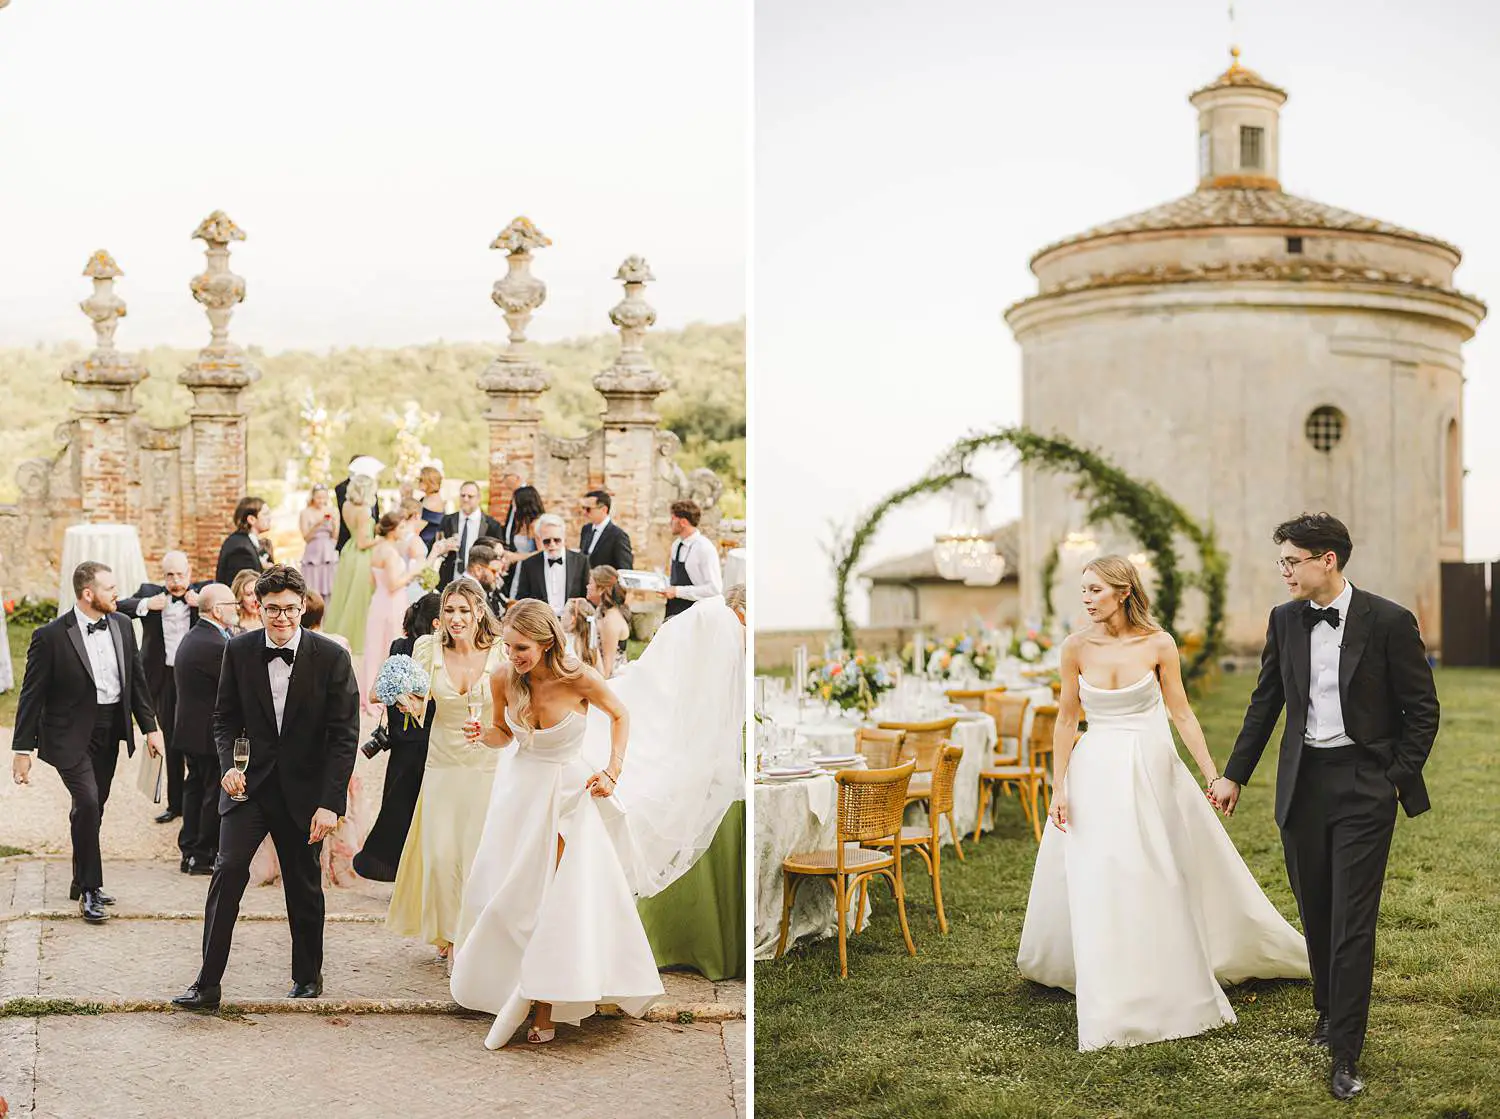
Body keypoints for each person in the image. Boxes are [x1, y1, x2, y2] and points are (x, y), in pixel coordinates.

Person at [1017, 555, 1310, 1051]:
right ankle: (1108, 979)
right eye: (1082, 590)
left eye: (1095, 590)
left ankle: (1165, 973)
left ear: (1123, 591)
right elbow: (1067, 721)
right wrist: (1058, 786)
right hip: (1094, 773)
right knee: (1101, 873)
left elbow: (1182, 714)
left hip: (1150, 770)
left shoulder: (1159, 644)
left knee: (1155, 870)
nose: (1086, 599)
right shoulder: (1074, 648)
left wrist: (1213, 775)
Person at [1209, 514, 1439, 1101]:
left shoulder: (1388, 620)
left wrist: (1393, 777)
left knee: (1352, 923)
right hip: (1303, 784)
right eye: (1281, 562)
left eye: (1292, 561)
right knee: (1317, 908)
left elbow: (1423, 710)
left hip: (1365, 785)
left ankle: (1346, 1054)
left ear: (1326, 561)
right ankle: (1329, 1011)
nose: (1283, 571)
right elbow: (1265, 703)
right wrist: (1235, 773)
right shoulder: (1285, 620)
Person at [449, 600, 661, 1047]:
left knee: (554, 898)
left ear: (546, 643)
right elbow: (502, 735)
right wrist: (481, 736)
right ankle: (509, 984)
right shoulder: (503, 677)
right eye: (507, 646)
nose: (513, 655)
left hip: (568, 797)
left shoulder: (578, 676)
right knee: (511, 895)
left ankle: (544, 1003)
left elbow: (621, 714)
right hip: (519, 798)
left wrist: (612, 770)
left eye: (521, 647)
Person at [172, 565, 360, 1011]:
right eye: (272, 609)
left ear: (302, 607)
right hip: (249, 789)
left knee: (302, 884)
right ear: (258, 606)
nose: (281, 618)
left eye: (290, 609)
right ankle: (207, 984)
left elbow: (344, 735)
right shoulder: (237, 651)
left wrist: (330, 804)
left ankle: (307, 976)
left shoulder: (331, 657)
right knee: (227, 871)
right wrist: (226, 768)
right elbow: (223, 719)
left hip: (304, 792)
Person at [10, 562, 164, 922]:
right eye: (110, 588)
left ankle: (80, 879)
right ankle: (91, 890)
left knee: (95, 805)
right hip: (68, 733)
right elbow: (31, 695)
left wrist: (150, 728)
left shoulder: (124, 626)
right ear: (88, 594)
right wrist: (21, 750)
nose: (117, 593)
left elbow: (137, 682)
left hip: (110, 728)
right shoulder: (50, 636)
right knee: (88, 800)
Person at [386, 579, 506, 961]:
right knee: (440, 857)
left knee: (476, 854)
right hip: (443, 764)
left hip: (486, 764)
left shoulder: (501, 652)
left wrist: (493, 733)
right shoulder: (427, 648)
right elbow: (421, 706)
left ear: (479, 613)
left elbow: (515, 711)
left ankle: (465, 938)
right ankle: (447, 931)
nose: (455, 619)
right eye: (449, 611)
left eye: (463, 611)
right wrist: (403, 700)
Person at [352, 592, 442, 882]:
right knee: (416, 807)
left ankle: (395, 868)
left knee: (397, 804)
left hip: (403, 739)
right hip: (426, 737)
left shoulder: (399, 646)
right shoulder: (435, 651)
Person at [119, 551, 209, 826]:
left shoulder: (203, 592)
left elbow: (231, 604)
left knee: (196, 738)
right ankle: (175, 804)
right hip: (163, 679)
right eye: (170, 575)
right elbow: (118, 607)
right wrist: (147, 604)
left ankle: (200, 800)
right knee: (170, 739)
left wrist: (202, 603)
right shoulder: (150, 594)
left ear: (190, 573)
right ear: (163, 575)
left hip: (195, 680)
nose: (176, 580)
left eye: (181, 574)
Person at [171, 583, 240, 876]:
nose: (237, 609)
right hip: (207, 733)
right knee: (212, 792)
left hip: (190, 730)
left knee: (195, 788)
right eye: (232, 604)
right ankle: (202, 855)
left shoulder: (195, 636)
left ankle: (189, 849)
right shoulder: (215, 645)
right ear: (217, 610)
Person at [362, 511, 425, 713]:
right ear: (393, 529)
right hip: (391, 602)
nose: (405, 531)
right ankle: (385, 693)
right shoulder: (389, 552)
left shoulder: (378, 549)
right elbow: (393, 584)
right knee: (388, 646)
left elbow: (372, 581)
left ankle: (374, 691)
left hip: (378, 601)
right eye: (402, 527)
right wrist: (413, 572)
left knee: (374, 647)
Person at [323, 473, 378, 654]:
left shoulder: (346, 505)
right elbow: (363, 543)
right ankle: (357, 639)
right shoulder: (364, 510)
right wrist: (382, 539)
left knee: (345, 596)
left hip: (349, 551)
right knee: (359, 599)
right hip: (361, 556)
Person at [512, 514, 590, 617]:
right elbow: (522, 599)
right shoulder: (529, 564)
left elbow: (586, 596)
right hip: (541, 625)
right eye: (547, 541)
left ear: (564, 537)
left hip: (572, 623)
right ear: (540, 539)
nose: (552, 545)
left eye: (557, 540)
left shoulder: (581, 561)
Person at [662, 500, 722, 620]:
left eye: (673, 519)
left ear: (683, 522)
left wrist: (677, 592)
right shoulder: (676, 544)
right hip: (673, 609)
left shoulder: (705, 548)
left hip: (696, 612)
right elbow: (675, 580)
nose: (670, 523)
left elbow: (714, 589)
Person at [437, 481, 503, 587]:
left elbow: (498, 555)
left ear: (478, 498)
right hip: (450, 577)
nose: (465, 499)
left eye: (470, 496)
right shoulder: (448, 520)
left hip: (479, 580)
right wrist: (444, 547)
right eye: (462, 495)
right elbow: (437, 545)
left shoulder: (492, 525)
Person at [586, 565, 633, 678]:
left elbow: (607, 667)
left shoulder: (610, 620)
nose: (587, 586)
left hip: (613, 681)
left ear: (602, 589)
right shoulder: (601, 611)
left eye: (591, 583)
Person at [216, 496, 272, 586]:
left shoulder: (242, 540)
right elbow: (243, 589)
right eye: (265, 514)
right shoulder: (241, 550)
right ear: (251, 519)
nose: (270, 518)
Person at [334, 454, 381, 552]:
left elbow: (375, 513)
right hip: (349, 541)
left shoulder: (370, 487)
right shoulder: (342, 488)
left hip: (370, 539)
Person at [299, 484, 339, 598]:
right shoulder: (305, 513)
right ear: (312, 497)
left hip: (328, 552)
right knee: (313, 587)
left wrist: (335, 522)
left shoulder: (332, 511)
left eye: (324, 497)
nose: (321, 500)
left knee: (330, 587)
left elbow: (335, 536)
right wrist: (318, 524)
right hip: (313, 551)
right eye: (318, 497)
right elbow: (306, 537)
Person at [578, 490, 634, 572]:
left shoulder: (619, 536)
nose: (584, 512)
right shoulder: (586, 529)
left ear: (604, 510)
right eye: (583, 508)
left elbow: (625, 570)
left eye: (588, 509)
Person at [462, 543, 509, 619]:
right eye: (494, 571)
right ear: (478, 570)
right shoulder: (467, 593)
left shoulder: (476, 589)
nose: (497, 576)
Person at [563, 598, 601, 670]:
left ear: (572, 619)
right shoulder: (591, 643)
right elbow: (602, 674)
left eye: (563, 612)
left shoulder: (565, 641)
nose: (561, 617)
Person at [415, 466, 447, 551]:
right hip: (420, 542)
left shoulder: (433, 502)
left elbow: (416, 528)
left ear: (430, 482)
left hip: (426, 545)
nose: (419, 482)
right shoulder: (427, 498)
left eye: (421, 480)